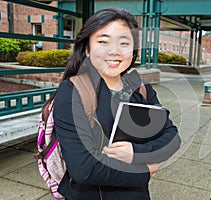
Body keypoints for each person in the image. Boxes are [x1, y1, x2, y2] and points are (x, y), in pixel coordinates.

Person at [53, 8, 181, 200]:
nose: (114, 51)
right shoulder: (73, 92)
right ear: (87, 49)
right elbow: (84, 168)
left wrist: (135, 152)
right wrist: (144, 172)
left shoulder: (141, 89)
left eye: (124, 43)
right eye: (103, 42)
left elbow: (172, 137)